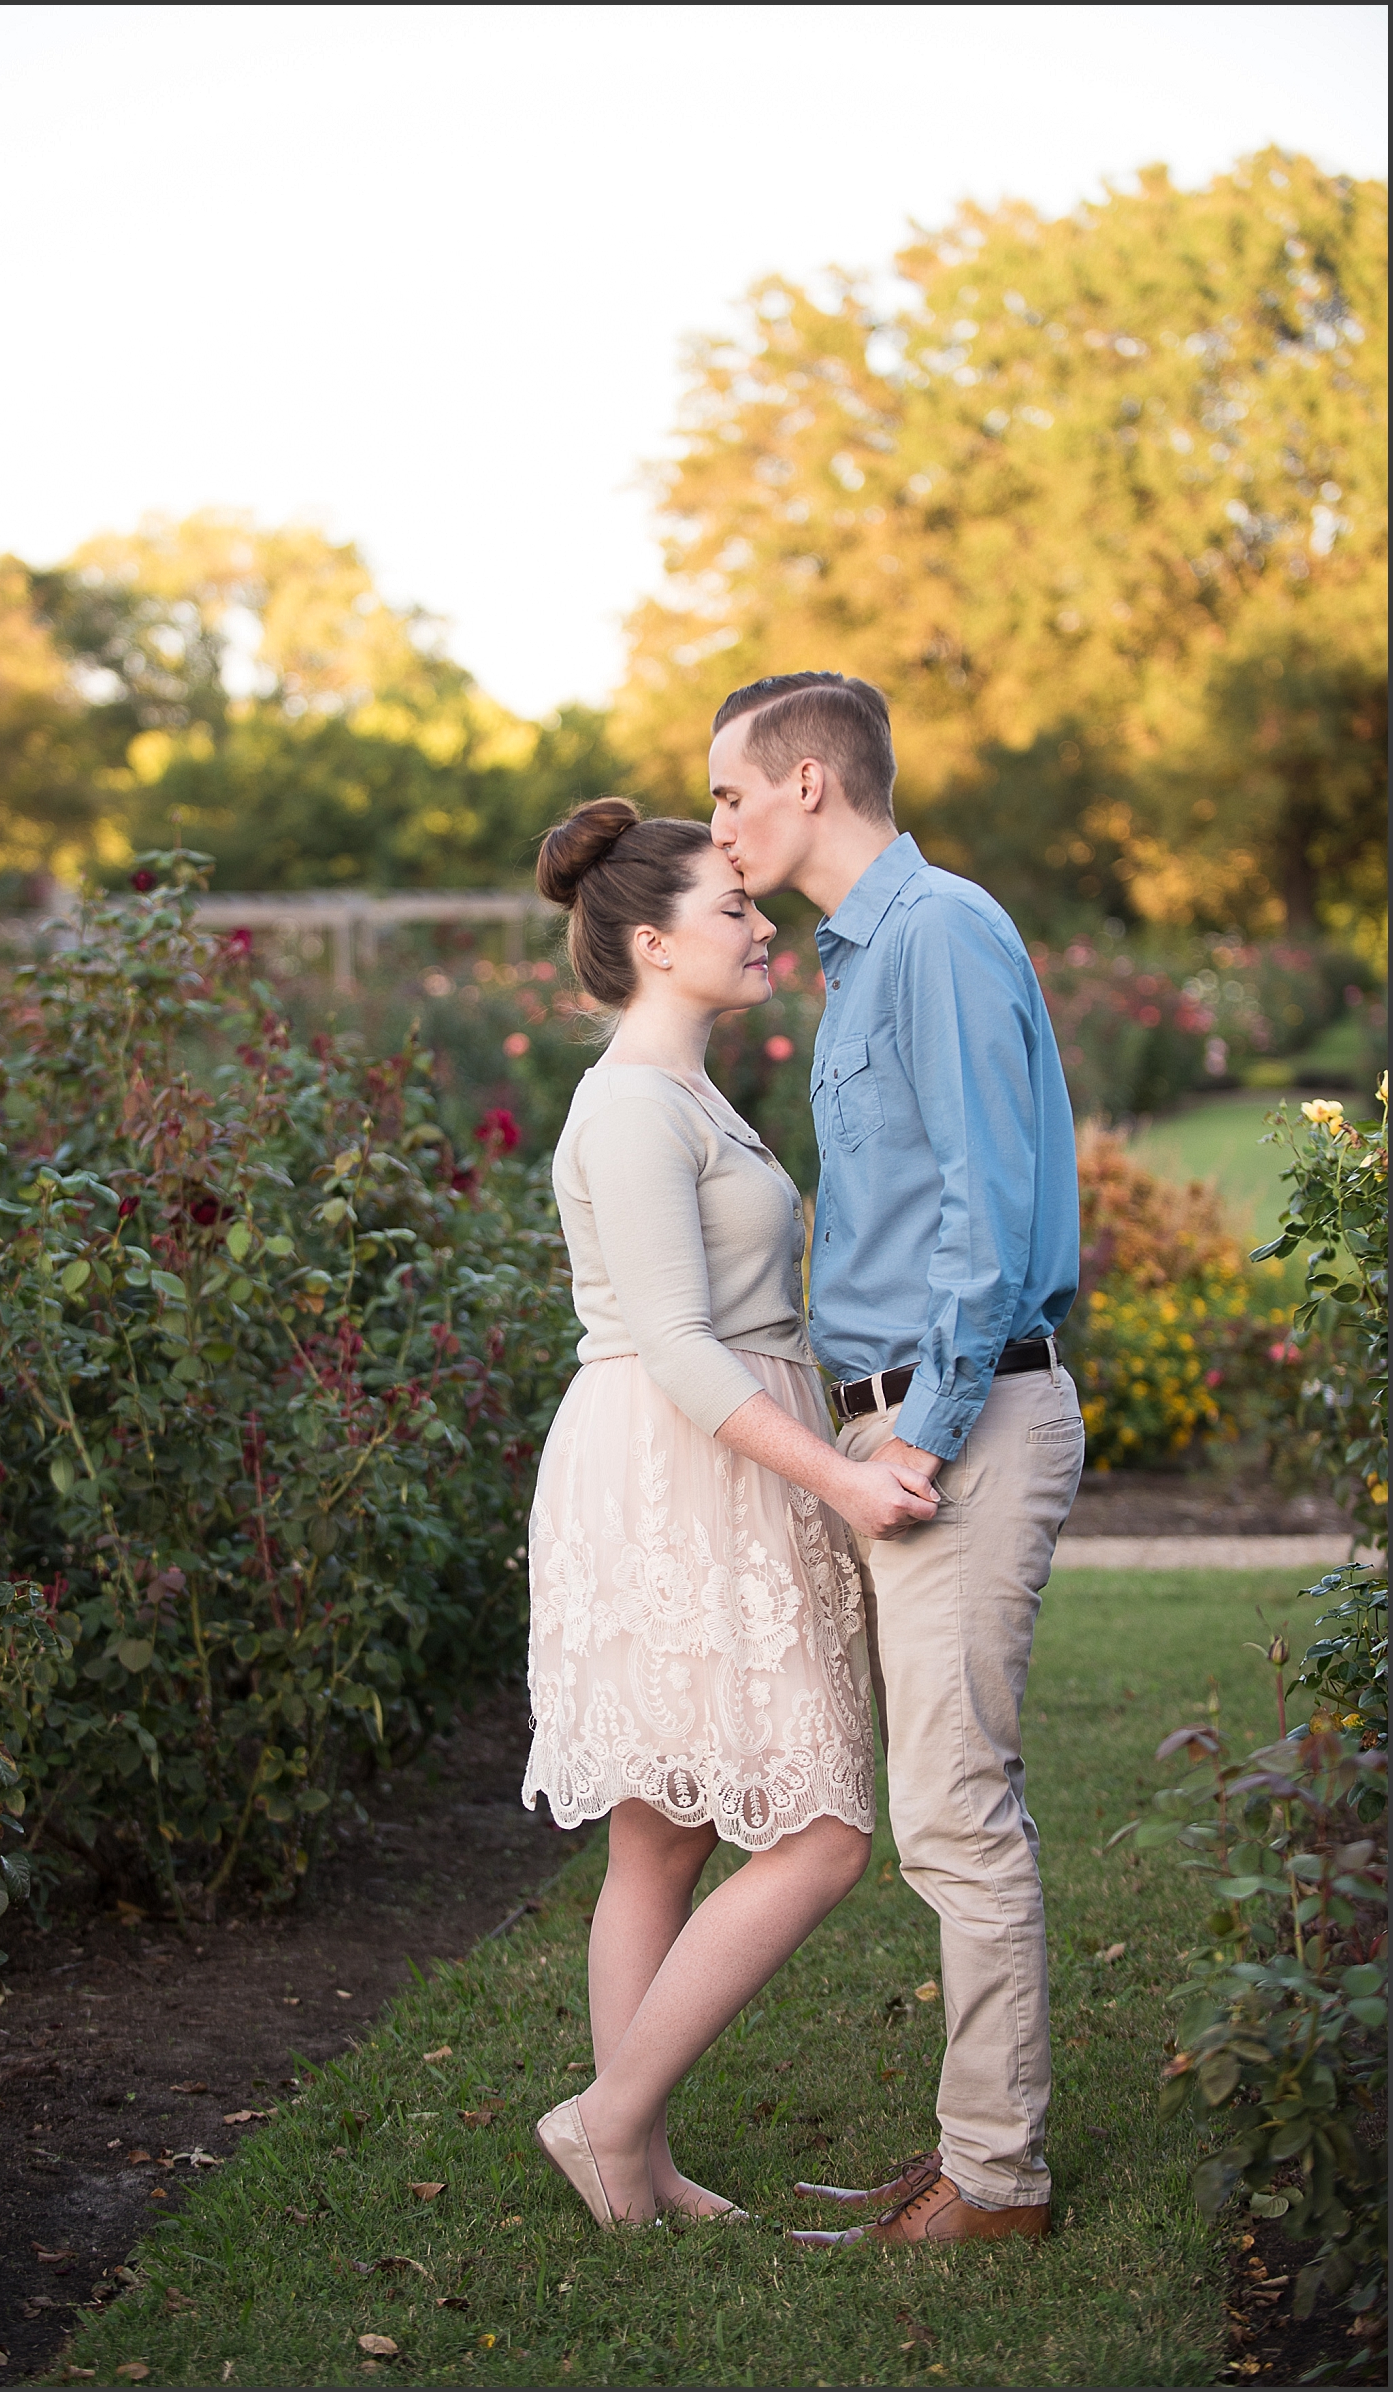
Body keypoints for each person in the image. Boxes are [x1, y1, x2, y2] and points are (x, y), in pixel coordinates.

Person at [521, 797, 941, 2227]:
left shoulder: (688, 1092)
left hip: (720, 1452)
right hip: (681, 1462)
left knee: (665, 1833)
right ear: (651, 942)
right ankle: (607, 2118)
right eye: (731, 910)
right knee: (820, 1829)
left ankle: (629, 2162)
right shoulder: (633, 1104)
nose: (763, 923)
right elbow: (682, 1345)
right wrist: (841, 1476)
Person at [709, 671, 1083, 2247]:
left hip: (965, 1414)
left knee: (951, 1810)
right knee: (945, 1798)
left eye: (729, 793)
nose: (719, 825)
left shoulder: (934, 933)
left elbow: (992, 1221)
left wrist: (911, 1442)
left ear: (807, 782)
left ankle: (998, 2182)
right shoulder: (867, 955)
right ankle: (969, 2150)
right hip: (914, 1414)